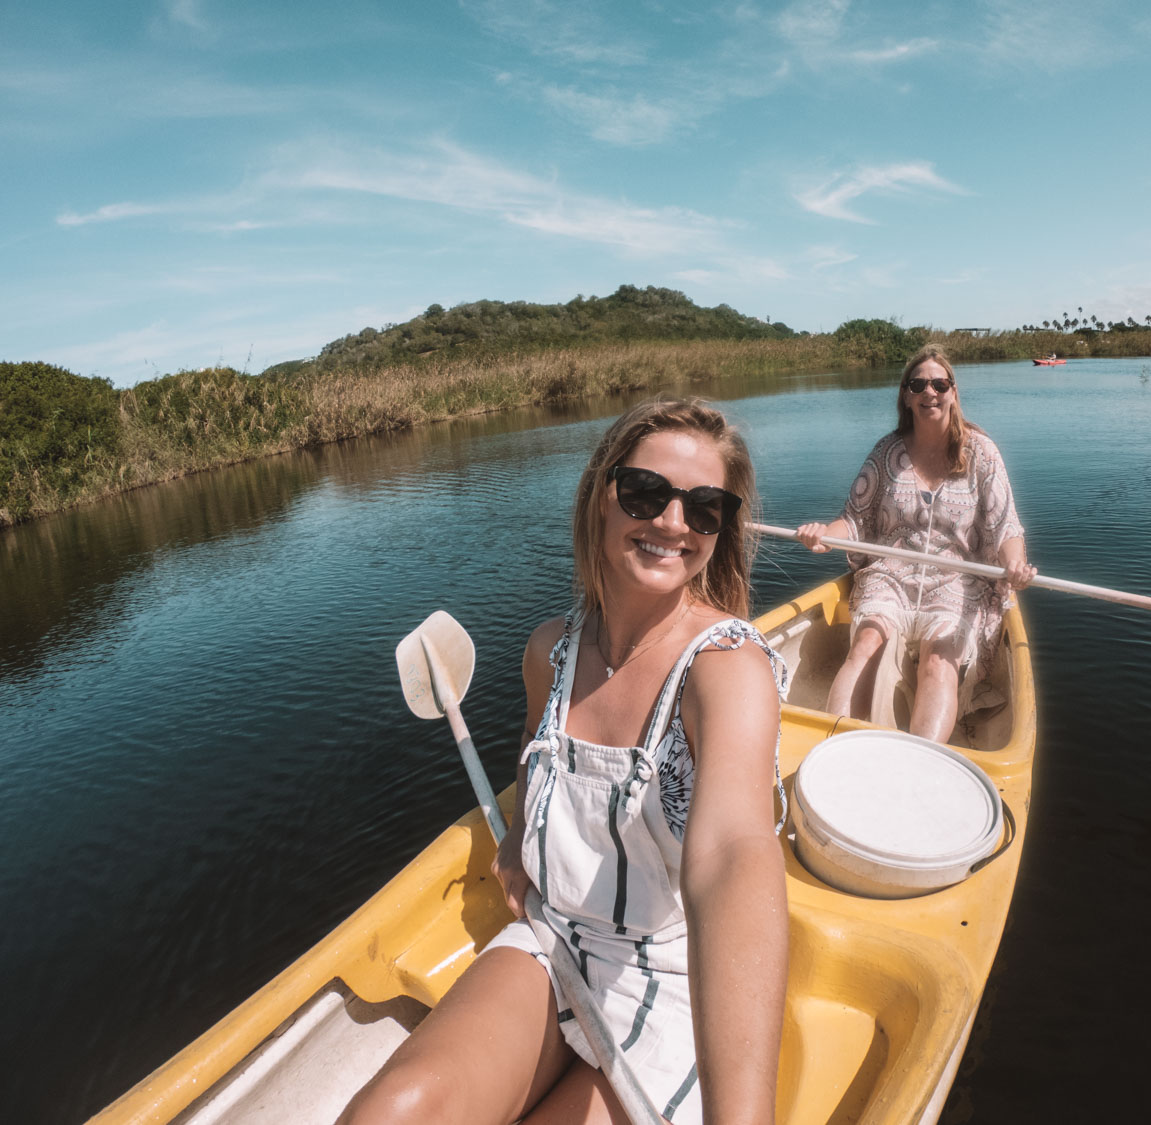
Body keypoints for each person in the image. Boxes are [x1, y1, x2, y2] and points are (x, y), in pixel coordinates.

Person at [342, 399, 789, 1125]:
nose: (674, 522)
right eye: (647, 492)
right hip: (555, 937)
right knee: (386, 1116)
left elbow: (734, 853)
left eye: (705, 508)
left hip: (669, 972)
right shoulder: (551, 649)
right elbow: (532, 747)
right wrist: (521, 833)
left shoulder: (726, 670)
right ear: (600, 494)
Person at [796, 344, 1035, 745]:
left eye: (940, 384)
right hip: (890, 573)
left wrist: (1016, 564)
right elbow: (854, 520)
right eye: (919, 384)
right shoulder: (886, 452)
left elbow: (1006, 525)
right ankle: (836, 749)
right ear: (906, 395)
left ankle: (921, 761)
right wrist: (824, 537)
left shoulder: (982, 453)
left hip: (957, 580)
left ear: (953, 392)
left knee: (938, 662)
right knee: (866, 645)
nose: (930, 392)